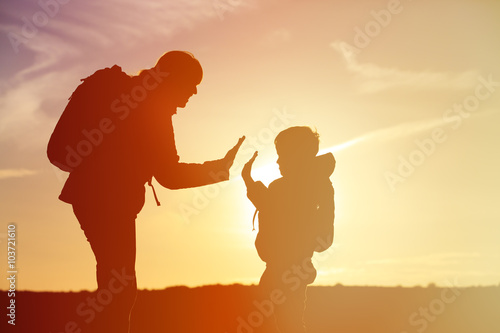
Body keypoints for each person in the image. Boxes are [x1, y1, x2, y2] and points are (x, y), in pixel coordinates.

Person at [47, 51, 244, 333]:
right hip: (111, 203)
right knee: (120, 288)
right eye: (189, 89)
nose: (187, 100)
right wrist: (218, 169)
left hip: (90, 198)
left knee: (116, 285)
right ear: (174, 81)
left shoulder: (135, 97)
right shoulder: (153, 109)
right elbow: (170, 176)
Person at [242, 126, 335, 333]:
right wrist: (248, 180)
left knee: (283, 326)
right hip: (284, 271)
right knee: (282, 325)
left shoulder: (307, 187)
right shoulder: (313, 186)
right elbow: (269, 205)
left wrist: (249, 181)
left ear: (298, 156)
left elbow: (271, 207)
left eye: (282, 156)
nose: (278, 162)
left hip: (288, 271)